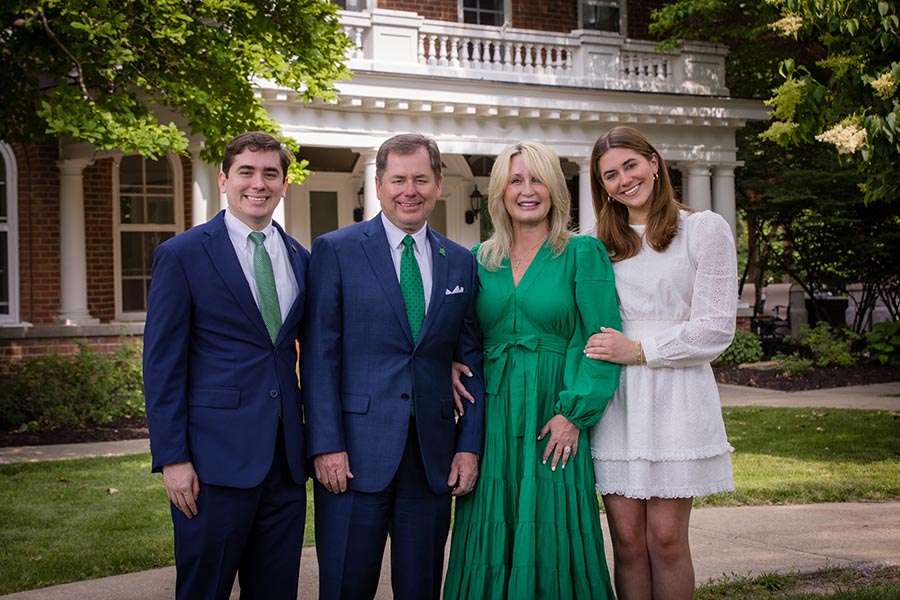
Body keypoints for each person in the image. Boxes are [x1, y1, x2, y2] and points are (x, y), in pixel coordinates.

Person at [301, 133, 485, 600]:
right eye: (399, 180)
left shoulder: (460, 262)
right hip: (353, 457)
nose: (410, 190)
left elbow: (471, 362)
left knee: (421, 588)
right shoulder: (336, 250)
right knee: (346, 586)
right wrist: (325, 445)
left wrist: (469, 447)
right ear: (379, 185)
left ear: (438, 184)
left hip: (431, 457)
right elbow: (320, 355)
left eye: (421, 179)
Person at [443, 141, 621, 599]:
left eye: (537, 179)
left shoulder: (583, 252)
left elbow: (599, 342)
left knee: (555, 524)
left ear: (555, 189)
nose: (527, 190)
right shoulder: (480, 259)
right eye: (516, 181)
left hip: (554, 414)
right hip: (494, 416)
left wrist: (575, 414)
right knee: (490, 520)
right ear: (500, 192)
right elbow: (463, 335)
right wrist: (449, 361)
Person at [143, 132, 310, 599]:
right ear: (223, 179)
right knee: (204, 589)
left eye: (270, 174)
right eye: (247, 172)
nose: (259, 184)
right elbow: (162, 366)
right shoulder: (183, 255)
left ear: (283, 184)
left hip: (285, 465)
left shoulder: (301, 258)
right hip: (212, 465)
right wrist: (173, 459)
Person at [584, 125, 737, 599]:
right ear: (601, 185)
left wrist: (642, 350)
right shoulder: (593, 244)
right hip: (617, 403)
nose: (624, 180)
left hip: (677, 396)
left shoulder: (703, 229)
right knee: (627, 543)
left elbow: (715, 328)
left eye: (631, 165)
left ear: (654, 162)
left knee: (666, 540)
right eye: (610, 174)